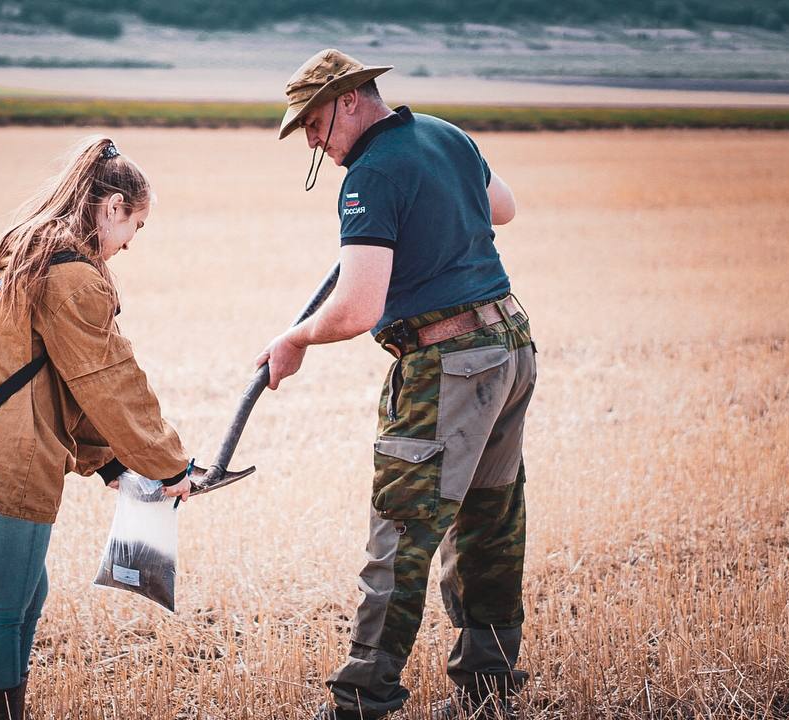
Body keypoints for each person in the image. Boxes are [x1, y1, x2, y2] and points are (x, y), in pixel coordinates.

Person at [256, 49, 536, 719]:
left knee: (401, 530)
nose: (314, 142)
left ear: (349, 100)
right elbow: (502, 209)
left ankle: (362, 699)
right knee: (490, 520)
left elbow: (357, 309)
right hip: (511, 347)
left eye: (314, 124)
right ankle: (489, 688)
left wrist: (294, 339)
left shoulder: (371, 174)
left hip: (450, 362)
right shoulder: (444, 134)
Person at [0, 136, 198, 720]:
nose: (132, 242)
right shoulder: (73, 275)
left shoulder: (22, 247)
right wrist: (169, 465)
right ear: (112, 207)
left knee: (26, 596)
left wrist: (109, 463)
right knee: (3, 612)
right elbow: (109, 382)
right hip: (8, 463)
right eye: (135, 225)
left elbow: (51, 377)